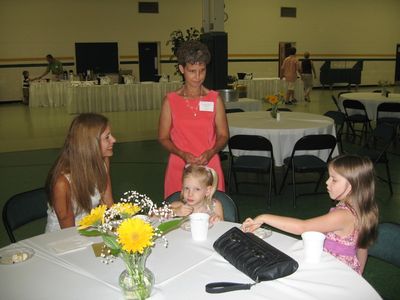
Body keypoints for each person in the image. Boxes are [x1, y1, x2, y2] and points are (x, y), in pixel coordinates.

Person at [242, 154, 379, 274]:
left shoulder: (343, 215)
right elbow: (362, 248)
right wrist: (358, 273)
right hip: (346, 268)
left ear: (352, 185)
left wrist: (263, 217)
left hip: (334, 271)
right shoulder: (362, 208)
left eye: (334, 179)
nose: (327, 182)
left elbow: (302, 227)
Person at [158, 40, 229, 198]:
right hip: (180, 166)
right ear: (182, 69)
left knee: (213, 214)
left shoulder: (214, 99)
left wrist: (211, 152)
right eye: (192, 71)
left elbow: (224, 135)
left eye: (202, 71)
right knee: (178, 216)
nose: (197, 77)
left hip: (209, 167)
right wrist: (181, 153)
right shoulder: (170, 101)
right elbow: (163, 137)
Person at [45, 113, 116, 232]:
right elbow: (69, 233)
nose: (114, 140)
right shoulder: (62, 183)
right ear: (89, 144)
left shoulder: (103, 161)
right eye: (107, 137)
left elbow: (108, 203)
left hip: (93, 227)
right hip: (64, 237)